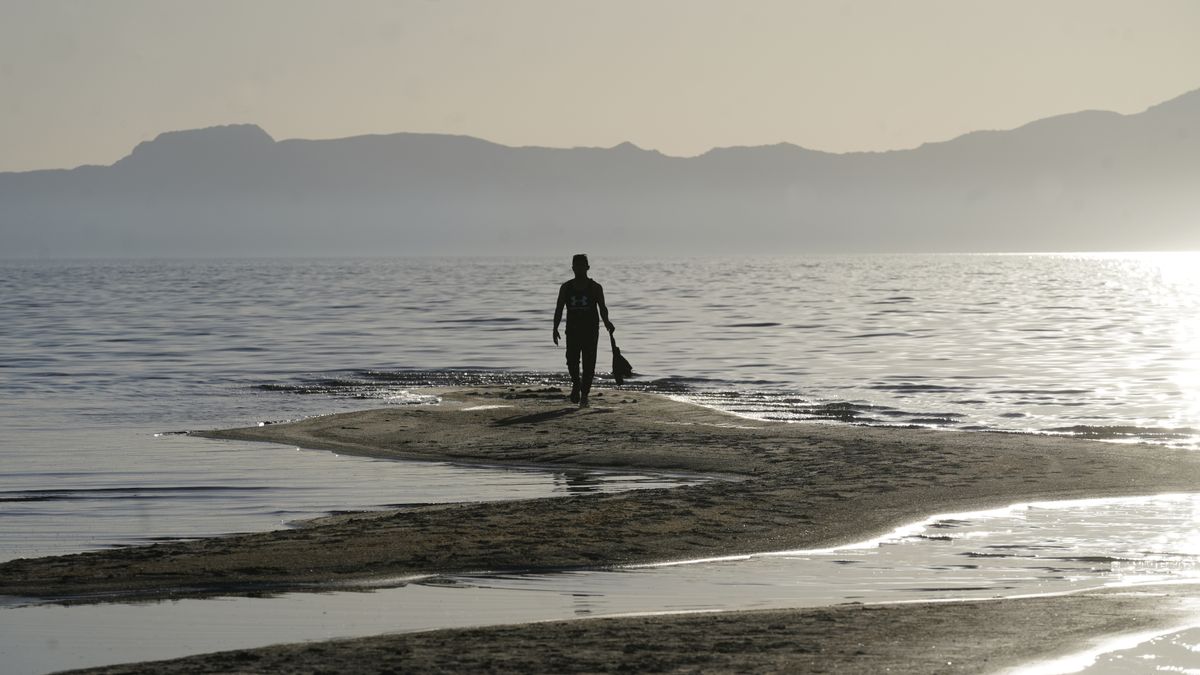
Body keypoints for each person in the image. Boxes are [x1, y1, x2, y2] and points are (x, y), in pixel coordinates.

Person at [553, 254, 614, 408]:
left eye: (582, 265)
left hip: (591, 331)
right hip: (572, 330)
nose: (579, 268)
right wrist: (555, 327)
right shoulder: (566, 288)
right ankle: (576, 384)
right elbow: (559, 308)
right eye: (576, 265)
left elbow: (602, 308)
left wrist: (607, 322)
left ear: (587, 267)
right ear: (572, 268)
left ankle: (584, 394)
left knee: (589, 364)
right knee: (571, 360)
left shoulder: (595, 287)